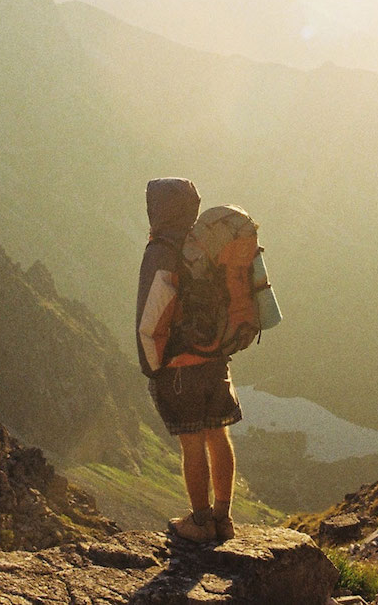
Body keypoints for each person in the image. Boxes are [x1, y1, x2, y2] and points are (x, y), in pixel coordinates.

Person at [136, 177, 243, 542]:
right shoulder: (206, 245)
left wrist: (153, 367)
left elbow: (151, 317)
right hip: (216, 358)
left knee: (192, 441)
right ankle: (223, 518)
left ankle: (199, 523)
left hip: (180, 367)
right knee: (218, 432)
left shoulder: (161, 252)